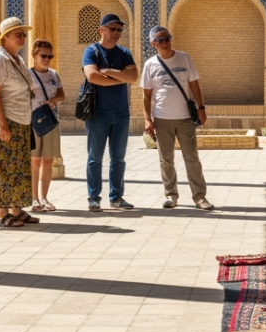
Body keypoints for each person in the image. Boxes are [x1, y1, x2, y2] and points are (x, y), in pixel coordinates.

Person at [140, 26, 215, 210]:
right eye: (160, 40)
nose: (165, 42)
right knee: (166, 160)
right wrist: (148, 120)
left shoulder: (183, 58)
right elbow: (146, 96)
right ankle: (171, 195)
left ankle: (199, 197)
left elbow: (194, 84)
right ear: (153, 44)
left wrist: (201, 108)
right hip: (162, 118)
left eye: (167, 38)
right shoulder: (150, 64)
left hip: (185, 118)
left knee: (192, 158)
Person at [0, 17, 40, 228]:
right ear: (5, 37)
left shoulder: (17, 60)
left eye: (23, 34)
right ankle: (1, 214)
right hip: (5, 121)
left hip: (20, 121)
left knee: (18, 167)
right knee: (3, 167)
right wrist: (2, 125)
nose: (22, 37)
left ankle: (16, 210)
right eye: (18, 34)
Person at [82, 13, 138, 211]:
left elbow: (134, 76)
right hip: (98, 112)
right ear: (102, 30)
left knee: (118, 158)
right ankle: (93, 197)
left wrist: (109, 72)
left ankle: (116, 197)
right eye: (112, 29)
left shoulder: (124, 52)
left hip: (121, 112)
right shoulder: (91, 51)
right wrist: (121, 77)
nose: (116, 33)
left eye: (119, 30)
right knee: (95, 157)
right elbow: (93, 77)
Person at [29, 38, 65, 212]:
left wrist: (55, 100)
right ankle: (34, 199)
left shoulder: (53, 74)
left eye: (50, 56)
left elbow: (62, 95)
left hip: (51, 120)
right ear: (34, 55)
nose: (47, 59)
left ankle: (44, 198)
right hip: (34, 120)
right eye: (43, 56)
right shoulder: (27, 75)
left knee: (48, 159)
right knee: (35, 160)